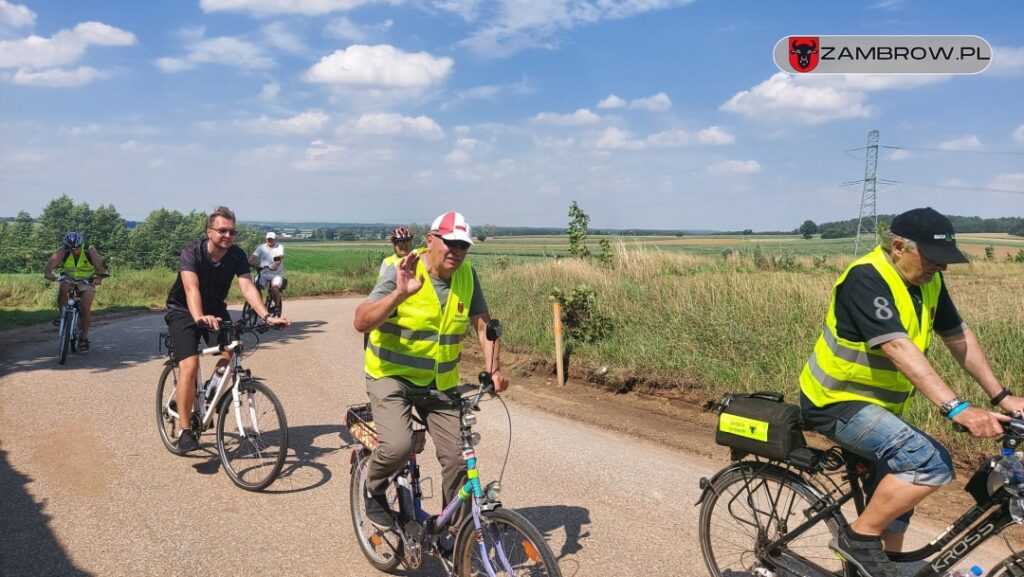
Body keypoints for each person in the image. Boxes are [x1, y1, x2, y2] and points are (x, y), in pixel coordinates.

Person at [799, 207, 1024, 577]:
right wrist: (957, 409)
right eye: (935, 259)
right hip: (836, 403)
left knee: (901, 477)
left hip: (878, 409)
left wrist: (1002, 397)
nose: (943, 267)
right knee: (927, 462)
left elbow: (958, 336)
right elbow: (898, 348)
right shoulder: (867, 278)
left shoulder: (927, 280)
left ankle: (880, 566)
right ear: (899, 246)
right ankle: (856, 539)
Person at [354, 210, 507, 537]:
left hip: (438, 385)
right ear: (429, 240)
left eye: (463, 246)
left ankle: (451, 536)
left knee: (459, 459)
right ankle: (373, 486)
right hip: (390, 375)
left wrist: (494, 370)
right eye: (449, 243)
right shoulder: (401, 271)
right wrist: (399, 294)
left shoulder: (468, 276)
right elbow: (361, 321)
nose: (457, 251)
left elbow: (483, 325)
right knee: (397, 445)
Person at [164, 207, 291, 453]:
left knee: (231, 351)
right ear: (208, 231)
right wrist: (199, 316)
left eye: (232, 231)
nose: (228, 235)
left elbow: (247, 288)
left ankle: (209, 394)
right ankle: (184, 429)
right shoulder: (192, 253)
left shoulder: (235, 255)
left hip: (215, 310)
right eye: (222, 230)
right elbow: (191, 289)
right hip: (183, 310)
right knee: (189, 365)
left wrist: (266, 315)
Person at [43, 231, 109, 353]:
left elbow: (100, 267)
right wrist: (48, 273)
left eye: (77, 247)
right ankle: (62, 314)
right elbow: (51, 264)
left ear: (81, 244)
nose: (74, 250)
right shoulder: (63, 250)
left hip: (87, 281)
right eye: (71, 248)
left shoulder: (90, 250)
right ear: (67, 247)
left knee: (85, 308)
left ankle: (83, 338)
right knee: (63, 287)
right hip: (69, 278)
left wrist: (99, 277)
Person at [249, 231, 286, 315]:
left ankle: (276, 306)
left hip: (276, 274)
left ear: (275, 239)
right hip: (263, 273)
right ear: (266, 239)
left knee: (274, 287)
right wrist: (247, 265)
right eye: (268, 239)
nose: (270, 241)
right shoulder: (261, 247)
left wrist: (274, 265)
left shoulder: (279, 247)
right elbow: (253, 257)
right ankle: (258, 306)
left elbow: (279, 257)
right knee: (255, 287)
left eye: (271, 239)